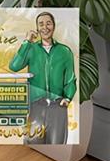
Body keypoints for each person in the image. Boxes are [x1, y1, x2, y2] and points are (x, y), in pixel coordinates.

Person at [9, 11, 77, 144]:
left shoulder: (65, 51)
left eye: (48, 23)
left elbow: (70, 79)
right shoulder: (31, 49)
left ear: (54, 26)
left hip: (58, 106)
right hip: (36, 106)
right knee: (33, 145)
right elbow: (14, 66)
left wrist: (68, 98)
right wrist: (27, 42)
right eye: (41, 24)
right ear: (37, 28)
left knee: (57, 146)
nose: (45, 27)